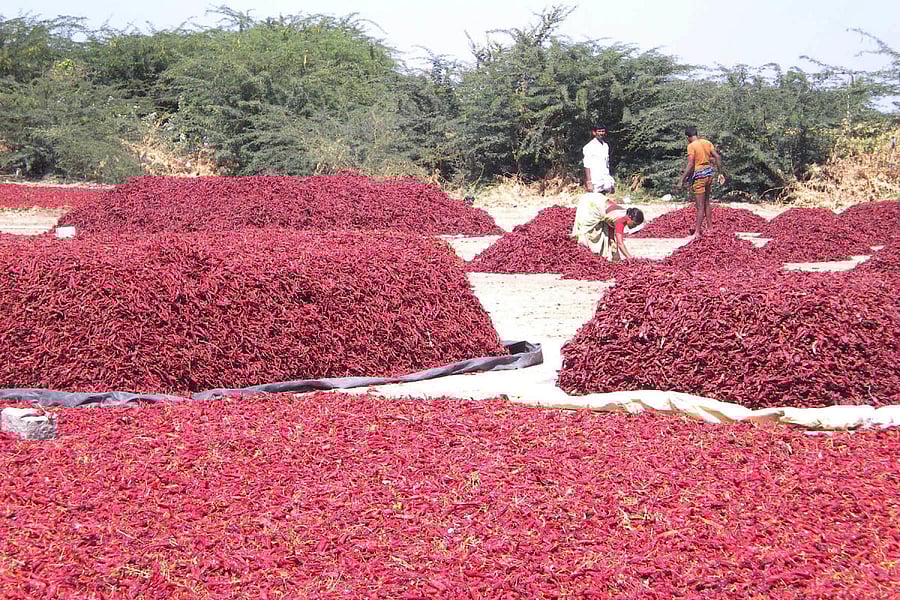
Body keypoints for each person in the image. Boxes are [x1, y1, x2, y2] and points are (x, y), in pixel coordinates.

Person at [679, 125, 726, 238]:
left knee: (699, 206)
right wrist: (720, 173)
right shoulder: (707, 142)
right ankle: (710, 228)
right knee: (706, 203)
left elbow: (690, 164)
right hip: (709, 175)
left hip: (699, 177)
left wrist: (682, 179)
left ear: (688, 137)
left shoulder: (691, 146)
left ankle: (697, 232)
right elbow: (717, 157)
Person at [571, 191, 644, 261]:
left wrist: (615, 253)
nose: (634, 227)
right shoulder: (620, 220)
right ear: (630, 217)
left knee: (605, 234)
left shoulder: (623, 213)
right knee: (585, 230)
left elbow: (611, 230)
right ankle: (579, 252)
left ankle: (592, 255)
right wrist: (631, 259)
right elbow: (620, 243)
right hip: (590, 204)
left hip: (597, 199)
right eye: (634, 224)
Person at [583, 125, 615, 194]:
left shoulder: (605, 146)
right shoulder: (589, 146)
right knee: (595, 200)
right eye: (599, 131)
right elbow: (586, 165)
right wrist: (589, 182)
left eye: (602, 131)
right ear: (594, 133)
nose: (601, 133)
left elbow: (607, 164)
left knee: (604, 197)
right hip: (595, 178)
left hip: (605, 177)